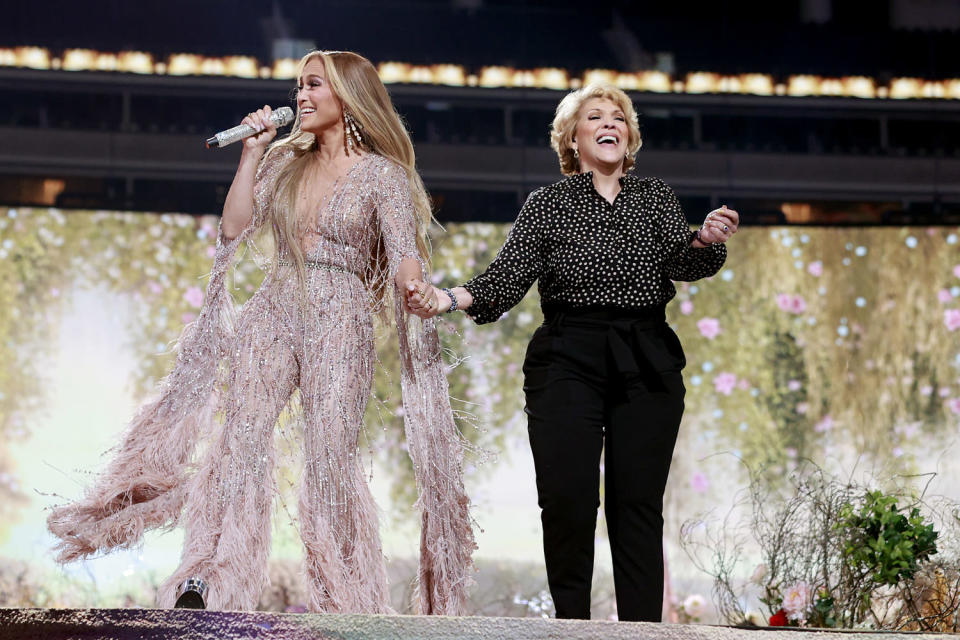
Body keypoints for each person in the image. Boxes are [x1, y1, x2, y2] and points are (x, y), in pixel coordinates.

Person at [47, 50, 475, 615]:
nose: (301, 94)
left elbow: (404, 259)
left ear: (347, 96)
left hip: (340, 322)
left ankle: (345, 599)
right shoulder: (282, 160)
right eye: (299, 84)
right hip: (272, 311)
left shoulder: (383, 177)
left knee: (330, 457)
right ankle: (206, 582)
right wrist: (250, 154)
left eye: (314, 85)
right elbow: (234, 228)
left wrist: (418, 293)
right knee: (240, 444)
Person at [406, 84, 738, 621]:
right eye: (595, 117)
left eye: (619, 118)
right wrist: (446, 298)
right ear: (573, 138)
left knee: (636, 506)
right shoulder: (548, 204)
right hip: (566, 358)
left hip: (645, 358)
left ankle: (641, 634)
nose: (610, 124)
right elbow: (505, 278)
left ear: (628, 136)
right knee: (567, 503)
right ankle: (572, 630)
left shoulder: (655, 196)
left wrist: (707, 239)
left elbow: (685, 258)